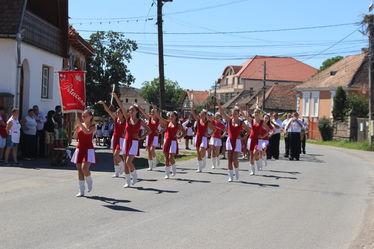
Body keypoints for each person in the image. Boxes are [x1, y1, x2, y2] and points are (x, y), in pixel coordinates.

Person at [112, 93, 151, 188]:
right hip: (126, 141)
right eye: (129, 110)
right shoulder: (127, 118)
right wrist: (116, 97)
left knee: (129, 162)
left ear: (136, 111)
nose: (130, 111)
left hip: (134, 142)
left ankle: (134, 176)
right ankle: (127, 181)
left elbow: (149, 130)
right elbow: (121, 106)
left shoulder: (140, 121)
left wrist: (141, 137)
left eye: (132, 109)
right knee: (125, 162)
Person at [218, 103, 251, 182]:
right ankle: (230, 176)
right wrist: (219, 104)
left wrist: (243, 137)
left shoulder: (241, 122)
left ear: (238, 114)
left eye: (235, 114)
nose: (234, 115)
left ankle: (236, 171)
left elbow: (249, 131)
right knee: (229, 159)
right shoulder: (229, 120)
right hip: (229, 140)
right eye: (233, 114)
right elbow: (222, 112)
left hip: (237, 141)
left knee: (235, 160)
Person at [71, 110, 96, 197]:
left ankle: (89, 180)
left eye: (85, 116)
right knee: (79, 170)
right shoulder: (79, 126)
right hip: (79, 148)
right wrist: (76, 129)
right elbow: (74, 137)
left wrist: (80, 124)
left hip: (88, 149)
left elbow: (87, 132)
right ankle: (81, 190)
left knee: (84, 168)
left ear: (90, 117)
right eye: (82, 116)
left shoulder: (93, 126)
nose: (83, 118)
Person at [155, 108, 186, 178]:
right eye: (170, 116)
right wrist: (155, 110)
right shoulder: (167, 122)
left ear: (176, 117)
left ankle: (174, 168)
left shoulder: (178, 125)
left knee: (170, 157)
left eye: (172, 116)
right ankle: (167, 173)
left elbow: (184, 132)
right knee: (166, 157)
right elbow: (159, 117)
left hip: (173, 142)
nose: (171, 117)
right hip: (167, 141)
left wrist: (179, 137)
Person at [99, 100, 126, 178]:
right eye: (117, 112)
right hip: (114, 138)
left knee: (116, 154)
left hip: (121, 139)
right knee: (114, 156)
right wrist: (104, 103)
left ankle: (123, 165)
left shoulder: (125, 121)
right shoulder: (115, 119)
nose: (117, 114)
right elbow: (108, 110)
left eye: (119, 112)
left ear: (122, 113)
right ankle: (116, 172)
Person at [191, 108, 216, 173]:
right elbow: (193, 114)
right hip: (198, 137)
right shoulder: (198, 120)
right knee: (198, 152)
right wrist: (192, 109)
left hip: (204, 138)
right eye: (201, 114)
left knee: (201, 150)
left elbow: (214, 129)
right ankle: (199, 168)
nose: (201, 115)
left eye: (203, 114)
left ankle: (204, 158)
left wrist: (209, 135)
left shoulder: (208, 122)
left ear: (205, 115)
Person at [246, 108, 269, 175]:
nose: (256, 114)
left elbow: (268, 130)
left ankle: (258, 161)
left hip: (258, 140)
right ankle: (252, 170)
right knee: (251, 155)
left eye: (257, 112)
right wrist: (240, 109)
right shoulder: (252, 120)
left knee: (255, 152)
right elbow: (245, 116)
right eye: (255, 112)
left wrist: (262, 136)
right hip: (251, 139)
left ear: (259, 114)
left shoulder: (262, 122)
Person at [138, 106, 160, 171]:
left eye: (153, 112)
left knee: (152, 149)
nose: (152, 113)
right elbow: (144, 113)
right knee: (149, 151)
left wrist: (159, 131)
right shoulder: (149, 118)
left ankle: (155, 159)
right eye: (151, 112)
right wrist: (139, 107)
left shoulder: (158, 120)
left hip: (155, 136)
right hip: (149, 135)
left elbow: (163, 127)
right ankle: (150, 166)